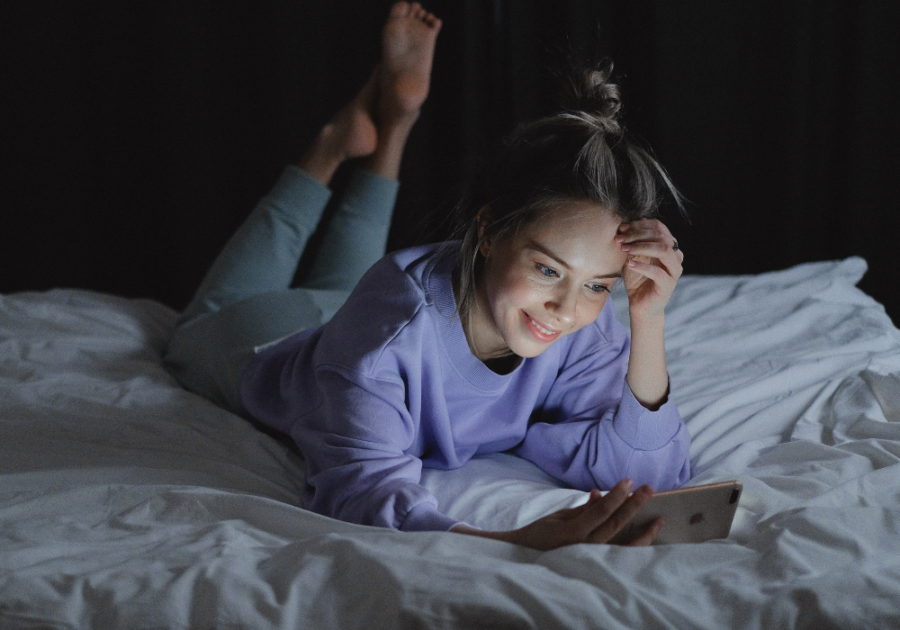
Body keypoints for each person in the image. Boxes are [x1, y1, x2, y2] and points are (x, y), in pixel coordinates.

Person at [165, 1, 691, 552]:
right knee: (199, 324)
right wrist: (506, 540)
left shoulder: (583, 320)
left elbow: (651, 473)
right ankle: (326, 150)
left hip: (351, 319)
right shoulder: (385, 336)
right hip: (261, 336)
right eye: (546, 268)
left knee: (345, 286)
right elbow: (360, 490)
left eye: (596, 284)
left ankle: (393, 125)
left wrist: (647, 320)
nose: (566, 308)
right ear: (487, 233)